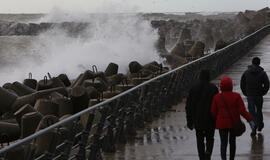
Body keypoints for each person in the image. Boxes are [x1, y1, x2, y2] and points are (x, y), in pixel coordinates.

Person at [211, 77, 255, 160]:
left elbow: (213, 112)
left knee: (223, 143)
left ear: (221, 86)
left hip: (222, 124)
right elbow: (242, 110)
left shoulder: (217, 97)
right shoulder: (236, 96)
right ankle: (231, 158)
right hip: (233, 123)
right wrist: (250, 120)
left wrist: (215, 120)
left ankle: (223, 158)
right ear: (231, 85)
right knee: (232, 142)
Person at [185, 70, 218, 160]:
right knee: (210, 138)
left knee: (199, 140)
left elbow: (188, 106)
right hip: (210, 118)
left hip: (197, 118)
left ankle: (201, 157)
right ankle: (208, 153)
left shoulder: (193, 88)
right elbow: (217, 105)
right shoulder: (213, 88)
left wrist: (189, 120)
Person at [240, 57, 269, 136]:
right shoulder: (262, 73)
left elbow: (242, 83)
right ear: (259, 63)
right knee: (259, 110)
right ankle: (259, 124)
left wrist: (245, 92)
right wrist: (263, 92)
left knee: (251, 112)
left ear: (252, 63)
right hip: (259, 95)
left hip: (250, 95)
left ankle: (254, 125)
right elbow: (267, 84)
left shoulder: (246, 72)